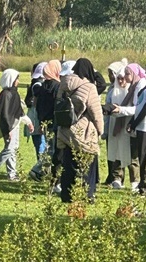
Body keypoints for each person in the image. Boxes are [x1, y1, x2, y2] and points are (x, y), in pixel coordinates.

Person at [56, 60, 104, 203]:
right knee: (87, 165)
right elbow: (96, 112)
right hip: (83, 131)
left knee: (68, 164)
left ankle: (67, 194)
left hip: (65, 129)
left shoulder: (63, 84)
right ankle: (87, 194)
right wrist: (100, 130)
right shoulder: (89, 87)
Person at [115, 60, 146, 196]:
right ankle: (144, 185)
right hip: (141, 126)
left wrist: (134, 123)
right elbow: (140, 106)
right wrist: (133, 123)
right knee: (142, 158)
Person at [0, 69, 33, 181]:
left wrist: (28, 122)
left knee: (13, 149)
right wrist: (7, 129)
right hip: (8, 126)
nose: (18, 81)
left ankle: (12, 174)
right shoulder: (6, 94)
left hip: (14, 125)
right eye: (16, 79)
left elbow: (18, 111)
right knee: (9, 149)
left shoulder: (14, 93)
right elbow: (4, 114)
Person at [103, 61, 136, 189]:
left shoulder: (131, 92)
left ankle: (134, 179)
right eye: (119, 79)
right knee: (115, 149)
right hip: (113, 124)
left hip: (127, 124)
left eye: (123, 79)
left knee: (130, 152)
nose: (121, 81)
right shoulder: (112, 92)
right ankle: (117, 177)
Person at [28, 60, 61, 183]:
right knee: (52, 150)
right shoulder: (57, 87)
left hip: (45, 121)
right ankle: (37, 170)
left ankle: (43, 172)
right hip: (54, 122)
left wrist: (42, 121)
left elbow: (38, 106)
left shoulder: (42, 87)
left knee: (49, 148)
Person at [24, 62, 47, 160]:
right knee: (40, 142)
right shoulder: (38, 85)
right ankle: (41, 167)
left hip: (37, 115)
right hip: (36, 116)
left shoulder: (37, 83)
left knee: (41, 142)